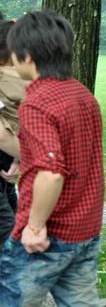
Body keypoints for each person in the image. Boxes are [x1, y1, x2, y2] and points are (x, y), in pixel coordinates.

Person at [0, 11, 105, 306]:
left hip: (49, 235)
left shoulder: (36, 104)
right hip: (85, 229)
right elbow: (71, 155)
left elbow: (51, 172)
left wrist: (35, 227)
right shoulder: (82, 95)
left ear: (27, 57)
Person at [0, 19, 29, 250]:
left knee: (13, 223)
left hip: (6, 168)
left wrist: (19, 158)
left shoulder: (10, 79)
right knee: (8, 227)